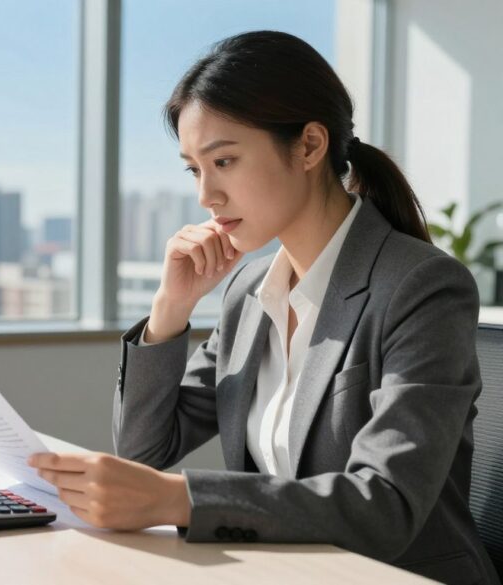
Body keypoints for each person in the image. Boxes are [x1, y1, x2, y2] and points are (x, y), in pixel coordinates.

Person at [26, 30, 499, 584]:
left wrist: (180, 500)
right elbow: (143, 449)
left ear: (309, 146)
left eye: (224, 160)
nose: (206, 194)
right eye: (194, 168)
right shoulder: (249, 291)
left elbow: (386, 504)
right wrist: (170, 309)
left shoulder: (422, 287)